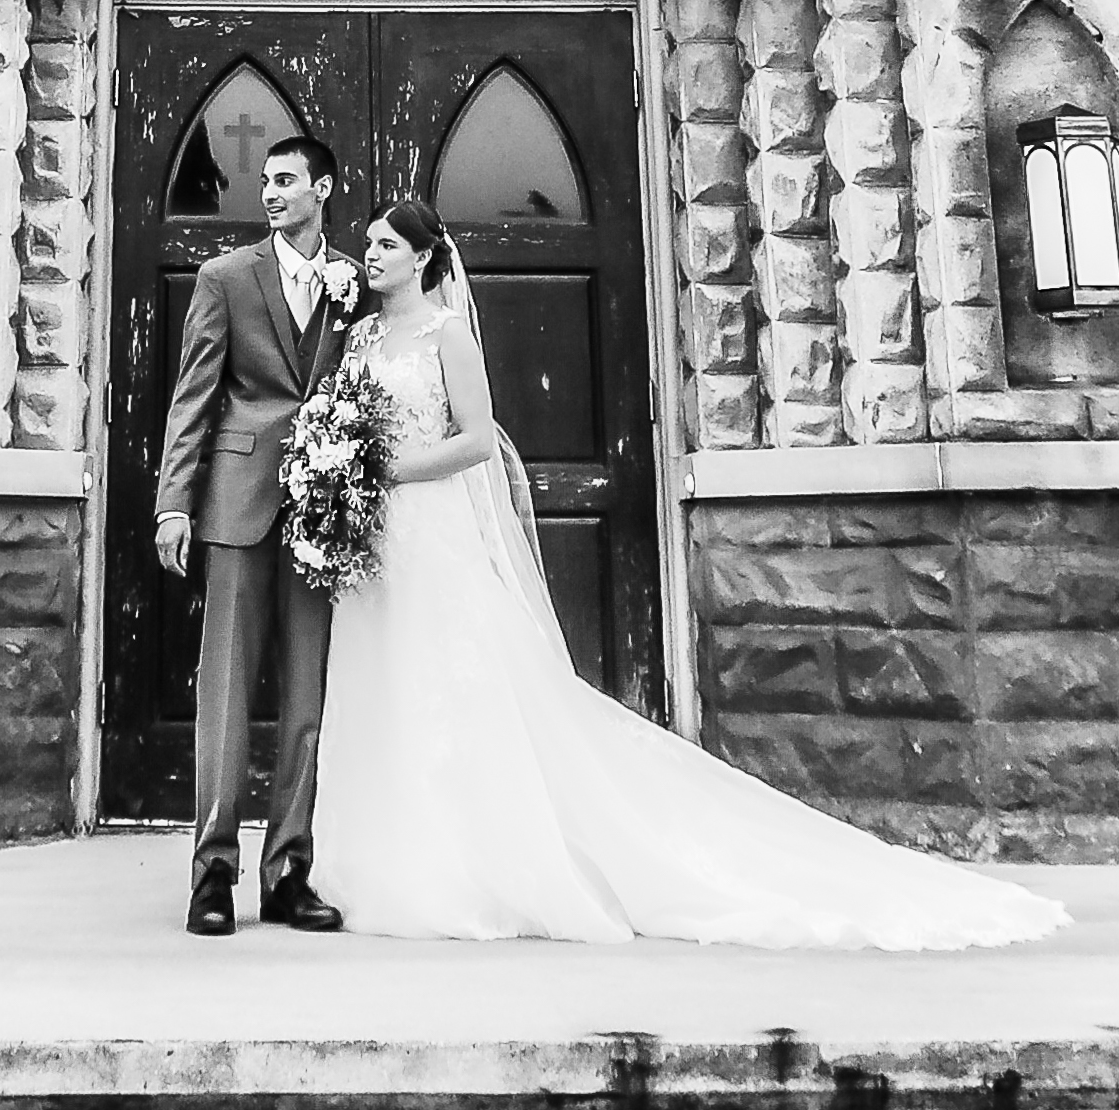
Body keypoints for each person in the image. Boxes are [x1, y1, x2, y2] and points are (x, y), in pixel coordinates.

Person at [307, 190, 1067, 951]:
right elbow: (345, 420)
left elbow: (476, 440)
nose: (370, 256)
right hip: (376, 541)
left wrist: (391, 469)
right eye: (368, 244)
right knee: (384, 681)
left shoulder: (448, 338)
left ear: (424, 258)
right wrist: (338, 473)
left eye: (385, 246)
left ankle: (473, 868)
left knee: (453, 684)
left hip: (433, 531)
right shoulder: (363, 336)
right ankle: (387, 861)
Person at [150, 123, 356, 936]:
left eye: (283, 181)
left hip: (323, 512)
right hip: (236, 503)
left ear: (322, 189)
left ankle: (288, 872)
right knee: (226, 694)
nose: (269, 194)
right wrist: (174, 503)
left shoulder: (355, 282)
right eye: (263, 183)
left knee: (307, 699)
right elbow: (193, 396)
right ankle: (211, 875)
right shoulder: (225, 278)